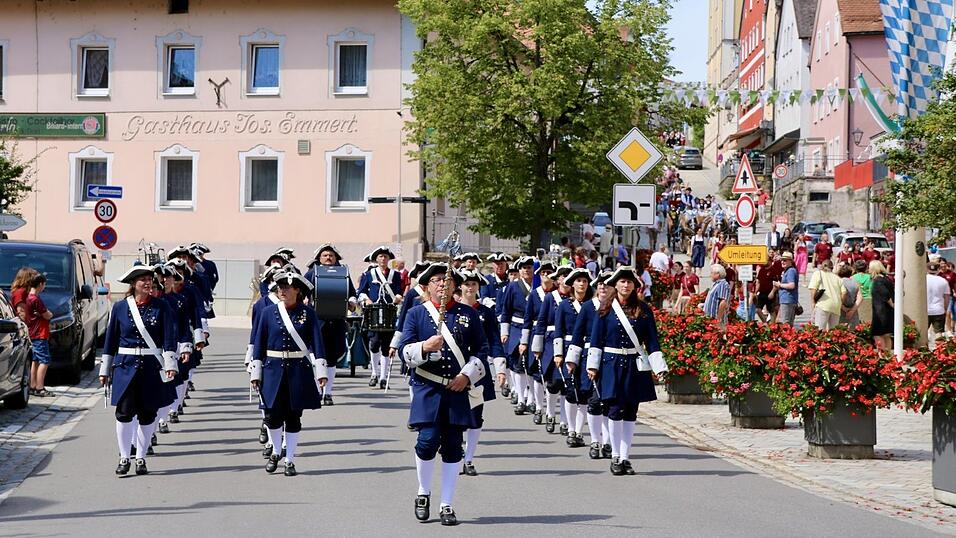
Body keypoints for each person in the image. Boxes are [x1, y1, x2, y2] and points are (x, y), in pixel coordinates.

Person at [398, 264, 487, 526]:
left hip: (457, 388)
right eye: (437, 280)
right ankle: (423, 492)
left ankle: (447, 503)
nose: (443, 285)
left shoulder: (467, 314)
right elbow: (405, 350)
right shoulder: (416, 314)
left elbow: (481, 349)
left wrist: (467, 375)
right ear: (427, 286)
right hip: (427, 387)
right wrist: (424, 347)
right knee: (427, 441)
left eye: (447, 281)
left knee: (452, 447)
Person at [99, 264, 182, 476]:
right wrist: (105, 369)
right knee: (124, 413)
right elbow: (110, 340)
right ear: (133, 284)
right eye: (143, 280)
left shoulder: (161, 307)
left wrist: (170, 364)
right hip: (125, 367)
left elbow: (169, 338)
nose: (148, 283)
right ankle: (124, 456)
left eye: (150, 279)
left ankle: (141, 457)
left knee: (148, 414)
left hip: (151, 368)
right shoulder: (119, 307)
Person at [586, 267, 666, 475]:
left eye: (629, 282)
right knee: (613, 409)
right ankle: (614, 456)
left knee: (631, 411)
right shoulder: (605, 309)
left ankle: (625, 457)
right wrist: (593, 365)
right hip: (611, 364)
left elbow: (652, 341)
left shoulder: (644, 310)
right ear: (616, 284)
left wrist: (659, 367)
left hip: (634, 364)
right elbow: (596, 339)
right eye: (622, 282)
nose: (626, 285)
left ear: (635, 286)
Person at [249, 270, 328, 477]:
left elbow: (317, 344)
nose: (282, 290)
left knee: (293, 417)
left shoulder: (308, 314)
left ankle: (290, 459)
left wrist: (321, 372)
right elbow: (259, 343)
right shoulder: (268, 313)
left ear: (297, 290)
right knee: (273, 416)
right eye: (280, 287)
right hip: (272, 371)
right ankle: (276, 450)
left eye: (286, 287)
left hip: (298, 371)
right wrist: (255, 372)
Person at [566, 269, 613, 459]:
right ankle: (595, 441)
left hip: (611, 360)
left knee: (610, 403)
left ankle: (608, 442)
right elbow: (577, 335)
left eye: (607, 284)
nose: (603, 286)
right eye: (600, 283)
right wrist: (572, 359)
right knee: (593, 401)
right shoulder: (587, 307)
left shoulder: (616, 308)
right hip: (589, 359)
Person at [459, 269, 500, 476]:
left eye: (474, 284)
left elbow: (494, 339)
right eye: (466, 283)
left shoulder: (486, 312)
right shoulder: (451, 311)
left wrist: (500, 367)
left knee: (476, 416)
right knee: (455, 416)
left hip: (479, 370)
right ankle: (455, 455)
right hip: (455, 369)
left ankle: (469, 459)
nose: (470, 287)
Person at [305, 244, 357, 405]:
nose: (328, 258)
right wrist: (305, 300)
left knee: (332, 358)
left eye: (331, 256)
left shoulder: (344, 274)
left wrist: (352, 303)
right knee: (318, 356)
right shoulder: (311, 274)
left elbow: (352, 295)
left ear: (336, 258)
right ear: (319, 258)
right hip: (317, 322)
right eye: (325, 255)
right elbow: (301, 293)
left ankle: (328, 393)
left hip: (336, 321)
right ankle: (317, 390)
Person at [552, 268, 593, 449]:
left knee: (584, 392)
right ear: (572, 284)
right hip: (568, 350)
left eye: (585, 281)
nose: (582, 284)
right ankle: (569, 428)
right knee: (570, 391)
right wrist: (558, 353)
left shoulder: (593, 305)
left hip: (586, 352)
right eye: (578, 281)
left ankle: (578, 430)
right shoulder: (564, 305)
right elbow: (558, 330)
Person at [532, 265, 572, 436]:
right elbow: (541, 322)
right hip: (550, 342)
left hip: (569, 343)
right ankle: (550, 413)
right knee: (553, 383)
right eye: (562, 277)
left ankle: (564, 421)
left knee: (566, 385)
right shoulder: (550, 298)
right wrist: (537, 346)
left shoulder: (576, 299)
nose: (565, 280)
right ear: (558, 280)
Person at [357, 246, 404, 389]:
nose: (383, 259)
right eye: (380, 257)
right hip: (374, 312)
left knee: (386, 345)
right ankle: (374, 373)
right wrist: (366, 300)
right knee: (374, 343)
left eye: (385, 256)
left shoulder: (395, 275)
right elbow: (361, 292)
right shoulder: (369, 274)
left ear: (389, 259)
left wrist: (397, 298)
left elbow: (398, 291)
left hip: (389, 311)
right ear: (376, 259)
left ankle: (383, 377)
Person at [520, 261, 557, 423]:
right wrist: (524, 341)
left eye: (549, 272)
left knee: (552, 377)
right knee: (537, 373)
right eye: (543, 272)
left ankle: (550, 410)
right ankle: (538, 406)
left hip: (555, 337)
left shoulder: (558, 295)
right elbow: (528, 319)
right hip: (536, 334)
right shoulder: (534, 294)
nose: (546, 275)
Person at [497, 256, 535, 412]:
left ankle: (532, 399)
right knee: (516, 364)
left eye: (529, 267)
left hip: (533, 329)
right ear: (520, 270)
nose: (527, 270)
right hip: (516, 327)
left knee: (532, 366)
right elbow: (506, 310)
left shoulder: (538, 286)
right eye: (524, 268)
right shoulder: (513, 287)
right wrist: (504, 331)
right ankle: (520, 398)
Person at [23, 273, 54, 397]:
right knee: (45, 360)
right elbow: (47, 314)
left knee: (35, 360)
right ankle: (40, 387)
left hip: (33, 332)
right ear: (40, 284)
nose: (44, 287)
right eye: (44, 284)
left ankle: (33, 385)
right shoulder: (35, 299)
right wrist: (49, 314)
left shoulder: (28, 298)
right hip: (39, 333)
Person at [808, 260, 845, 330]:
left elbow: (813, 289)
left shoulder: (818, 273)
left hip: (823, 304)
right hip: (836, 306)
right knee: (833, 332)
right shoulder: (837, 278)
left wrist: (813, 302)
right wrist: (840, 302)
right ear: (832, 267)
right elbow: (844, 293)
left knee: (820, 330)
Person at [870, 261, 894, 352]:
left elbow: (885, 294)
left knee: (877, 334)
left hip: (880, 312)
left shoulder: (877, 281)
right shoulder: (887, 279)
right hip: (888, 311)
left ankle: (882, 354)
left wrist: (892, 304)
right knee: (886, 335)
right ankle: (888, 354)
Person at [926, 262, 951, 346]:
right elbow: (947, 297)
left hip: (925, 310)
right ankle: (939, 353)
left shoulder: (923, 280)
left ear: (927, 269)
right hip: (938, 309)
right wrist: (945, 308)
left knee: (923, 332)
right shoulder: (943, 281)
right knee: (939, 333)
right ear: (937, 270)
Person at [754, 255, 782, 323]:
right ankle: (765, 322)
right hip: (762, 293)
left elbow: (776, 283)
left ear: (770, 261)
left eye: (766, 260)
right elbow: (758, 282)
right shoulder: (761, 270)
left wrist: (772, 292)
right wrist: (755, 292)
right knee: (758, 309)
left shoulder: (773, 270)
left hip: (770, 293)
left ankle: (772, 326)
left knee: (771, 311)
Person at [775, 252, 800, 326]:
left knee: (786, 323)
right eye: (782, 260)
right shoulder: (788, 270)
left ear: (791, 261)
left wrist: (779, 285)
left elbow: (792, 285)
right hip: (787, 300)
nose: (782, 262)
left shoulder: (791, 271)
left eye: (785, 260)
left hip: (788, 300)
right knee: (787, 323)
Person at [837, 264, 862, 328]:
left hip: (840, 310)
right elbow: (860, 297)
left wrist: (844, 309)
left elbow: (837, 297)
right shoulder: (856, 282)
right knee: (853, 331)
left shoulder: (838, 282)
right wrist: (852, 310)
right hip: (853, 309)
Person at [851, 259, 873, 324]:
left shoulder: (852, 277)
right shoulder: (870, 277)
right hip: (869, 299)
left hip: (857, 301)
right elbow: (872, 289)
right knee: (869, 321)